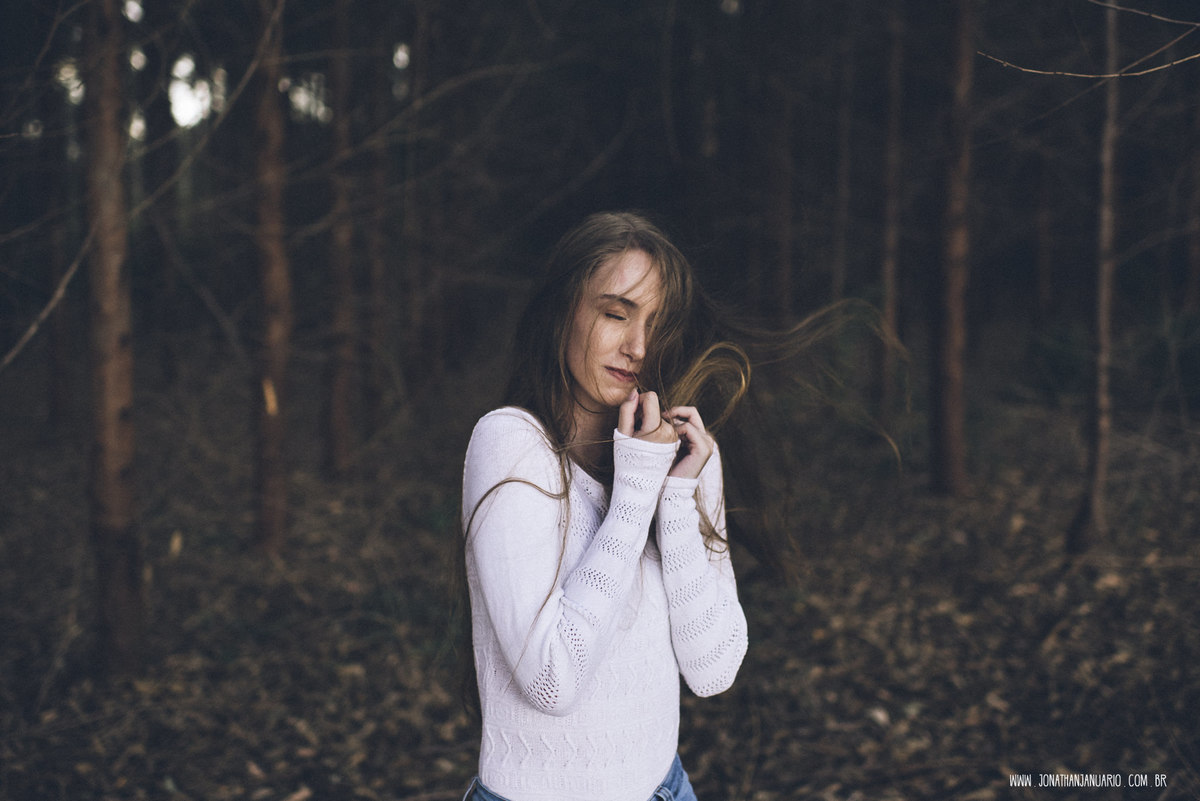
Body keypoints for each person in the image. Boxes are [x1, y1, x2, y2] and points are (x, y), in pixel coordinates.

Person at [459, 212, 750, 800]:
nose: (638, 347)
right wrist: (637, 492)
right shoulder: (512, 444)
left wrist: (673, 497)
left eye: (656, 324)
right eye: (615, 314)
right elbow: (551, 679)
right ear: (565, 309)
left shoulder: (684, 458)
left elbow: (714, 669)